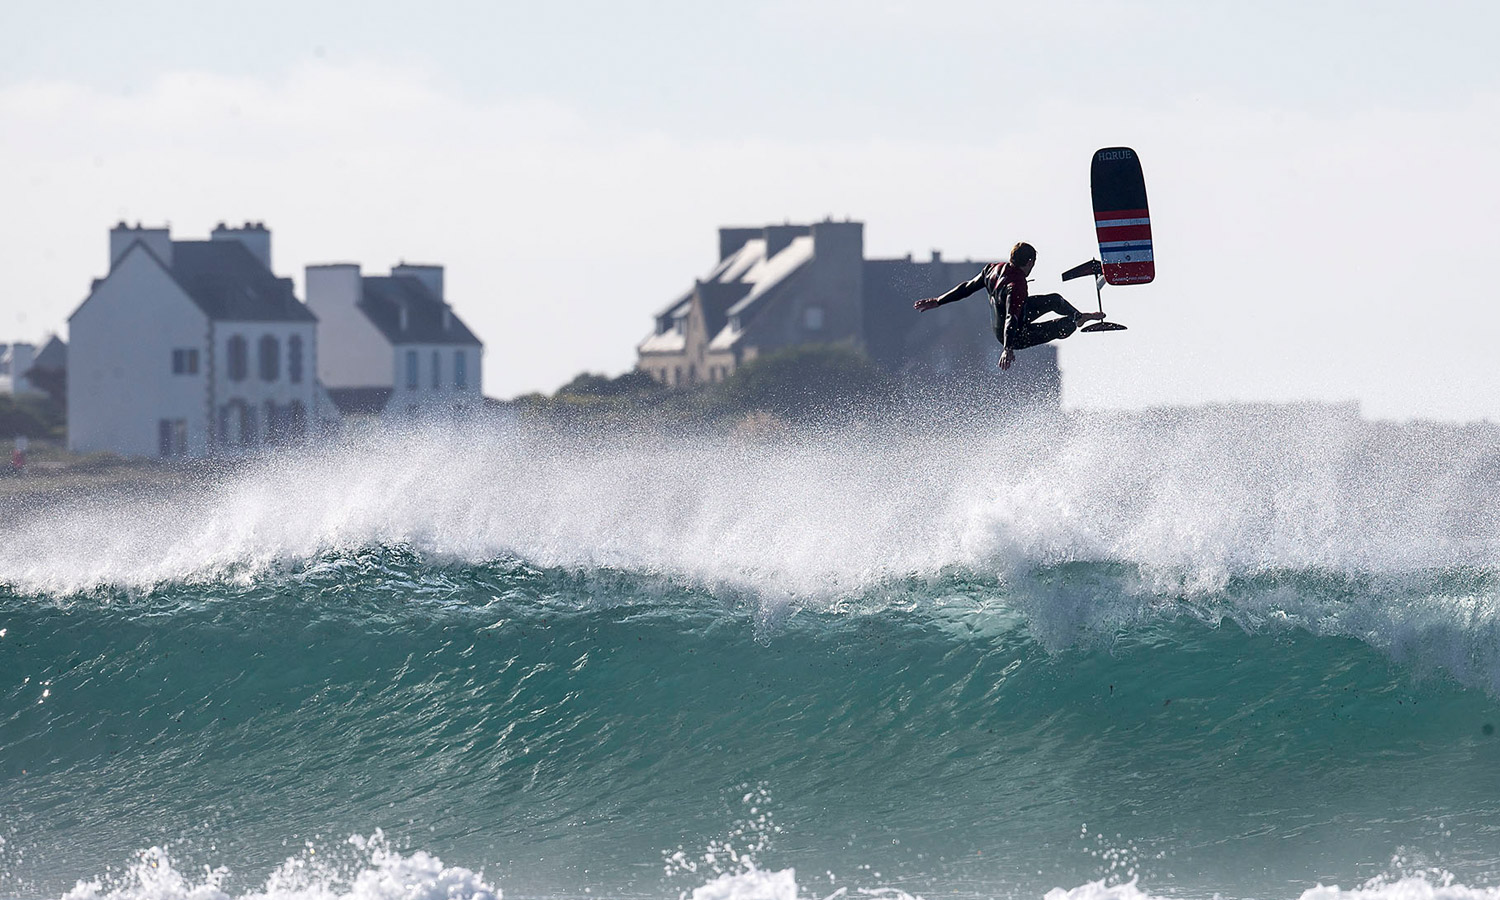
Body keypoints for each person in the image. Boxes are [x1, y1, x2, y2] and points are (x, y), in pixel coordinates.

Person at [914, 242, 1102, 370]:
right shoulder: (1017, 285)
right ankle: (1076, 321)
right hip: (1013, 334)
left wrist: (939, 301)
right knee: (1064, 326)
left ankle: (1079, 315)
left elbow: (967, 287)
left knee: (1054, 299)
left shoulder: (992, 269)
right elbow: (1012, 316)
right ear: (1029, 262)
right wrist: (1008, 348)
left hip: (1014, 316)